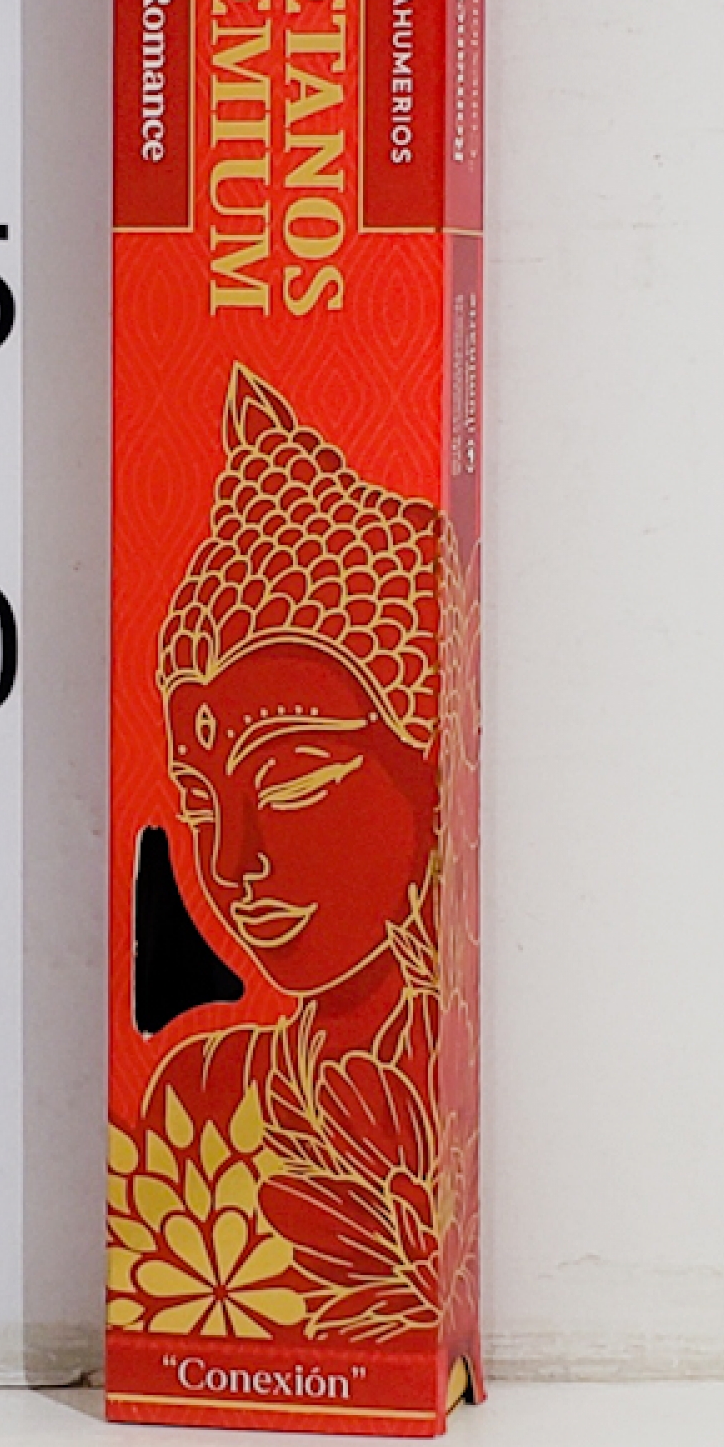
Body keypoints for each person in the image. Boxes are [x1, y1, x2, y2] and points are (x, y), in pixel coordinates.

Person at [107, 366, 479, 1348]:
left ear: (433, 759)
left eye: (292, 779)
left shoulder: (458, 1077)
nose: (233, 862)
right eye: (200, 802)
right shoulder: (204, 1097)